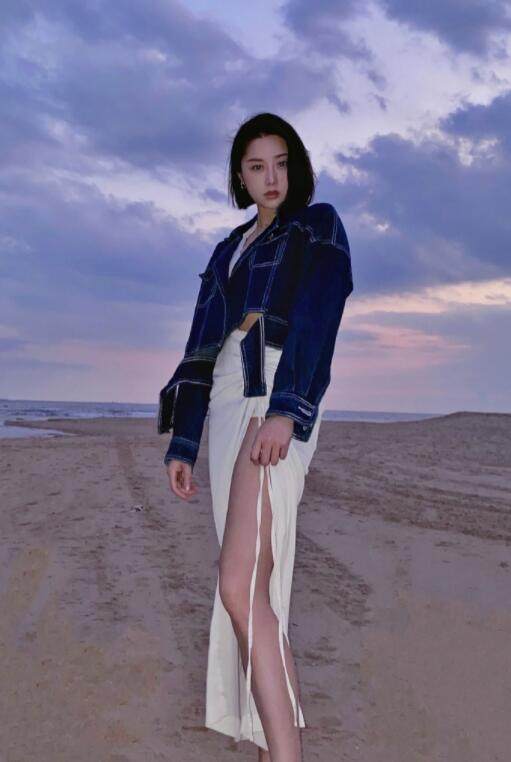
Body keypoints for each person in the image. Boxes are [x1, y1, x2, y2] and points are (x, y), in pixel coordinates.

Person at [160, 112, 353, 761]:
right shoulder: (228, 248)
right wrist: (183, 442)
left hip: (270, 390)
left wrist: (285, 410)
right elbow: (200, 348)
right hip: (223, 402)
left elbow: (318, 318)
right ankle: (278, 748)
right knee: (254, 593)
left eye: (281, 163)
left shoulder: (316, 225)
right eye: (255, 166)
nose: (271, 177)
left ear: (296, 167)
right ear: (239, 177)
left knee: (239, 586)